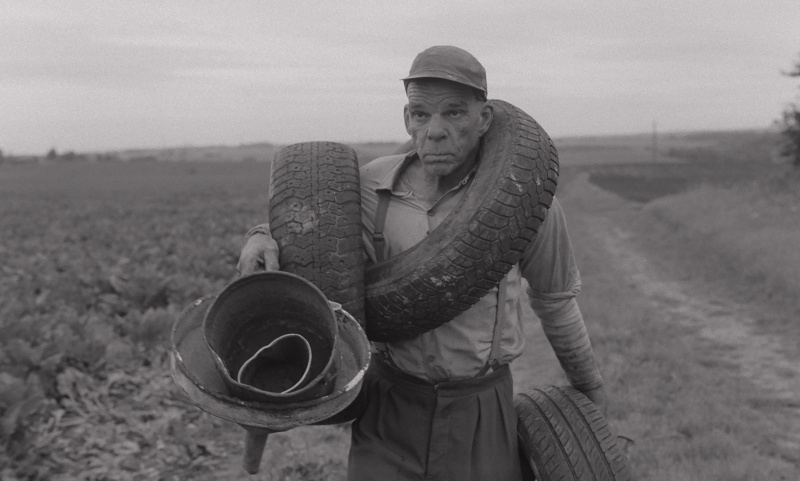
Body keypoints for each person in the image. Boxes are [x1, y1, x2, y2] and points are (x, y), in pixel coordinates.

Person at [237, 45, 607, 481]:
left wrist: (590, 393)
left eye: (454, 113)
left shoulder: (523, 201)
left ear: (484, 118)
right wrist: (259, 236)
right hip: (389, 406)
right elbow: (310, 235)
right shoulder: (370, 187)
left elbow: (556, 301)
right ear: (406, 119)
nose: (435, 132)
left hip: (480, 408)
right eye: (420, 114)